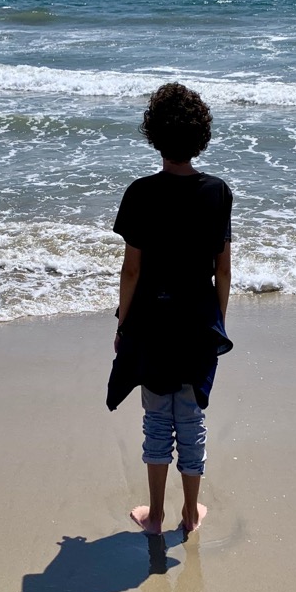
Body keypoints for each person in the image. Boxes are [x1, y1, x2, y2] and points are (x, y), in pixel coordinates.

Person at [106, 82, 233, 542]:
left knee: (157, 417)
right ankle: (191, 514)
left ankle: (156, 514)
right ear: (201, 135)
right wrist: (217, 324)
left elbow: (132, 271)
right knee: (192, 418)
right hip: (198, 321)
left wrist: (123, 323)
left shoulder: (140, 193)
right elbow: (223, 269)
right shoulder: (218, 192)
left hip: (152, 323)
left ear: (154, 134)